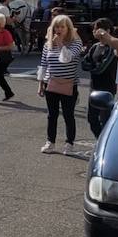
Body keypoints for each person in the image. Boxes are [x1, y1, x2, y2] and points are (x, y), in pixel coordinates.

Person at [38, 14, 85, 154]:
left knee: (68, 115)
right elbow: (43, 64)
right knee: (51, 115)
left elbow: (67, 58)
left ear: (68, 28)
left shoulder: (76, 43)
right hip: (51, 83)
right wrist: (40, 84)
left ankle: (69, 144)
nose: (58, 29)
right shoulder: (48, 44)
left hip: (69, 83)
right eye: (56, 27)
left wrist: (60, 44)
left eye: (62, 27)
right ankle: (50, 142)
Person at [82, 18, 118, 139]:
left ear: (107, 30)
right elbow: (84, 63)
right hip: (94, 88)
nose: (94, 31)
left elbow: (101, 68)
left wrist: (92, 66)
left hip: (107, 88)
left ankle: (105, 143)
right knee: (92, 119)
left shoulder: (111, 48)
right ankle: (100, 141)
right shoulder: (95, 46)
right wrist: (92, 66)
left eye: (97, 28)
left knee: (105, 120)